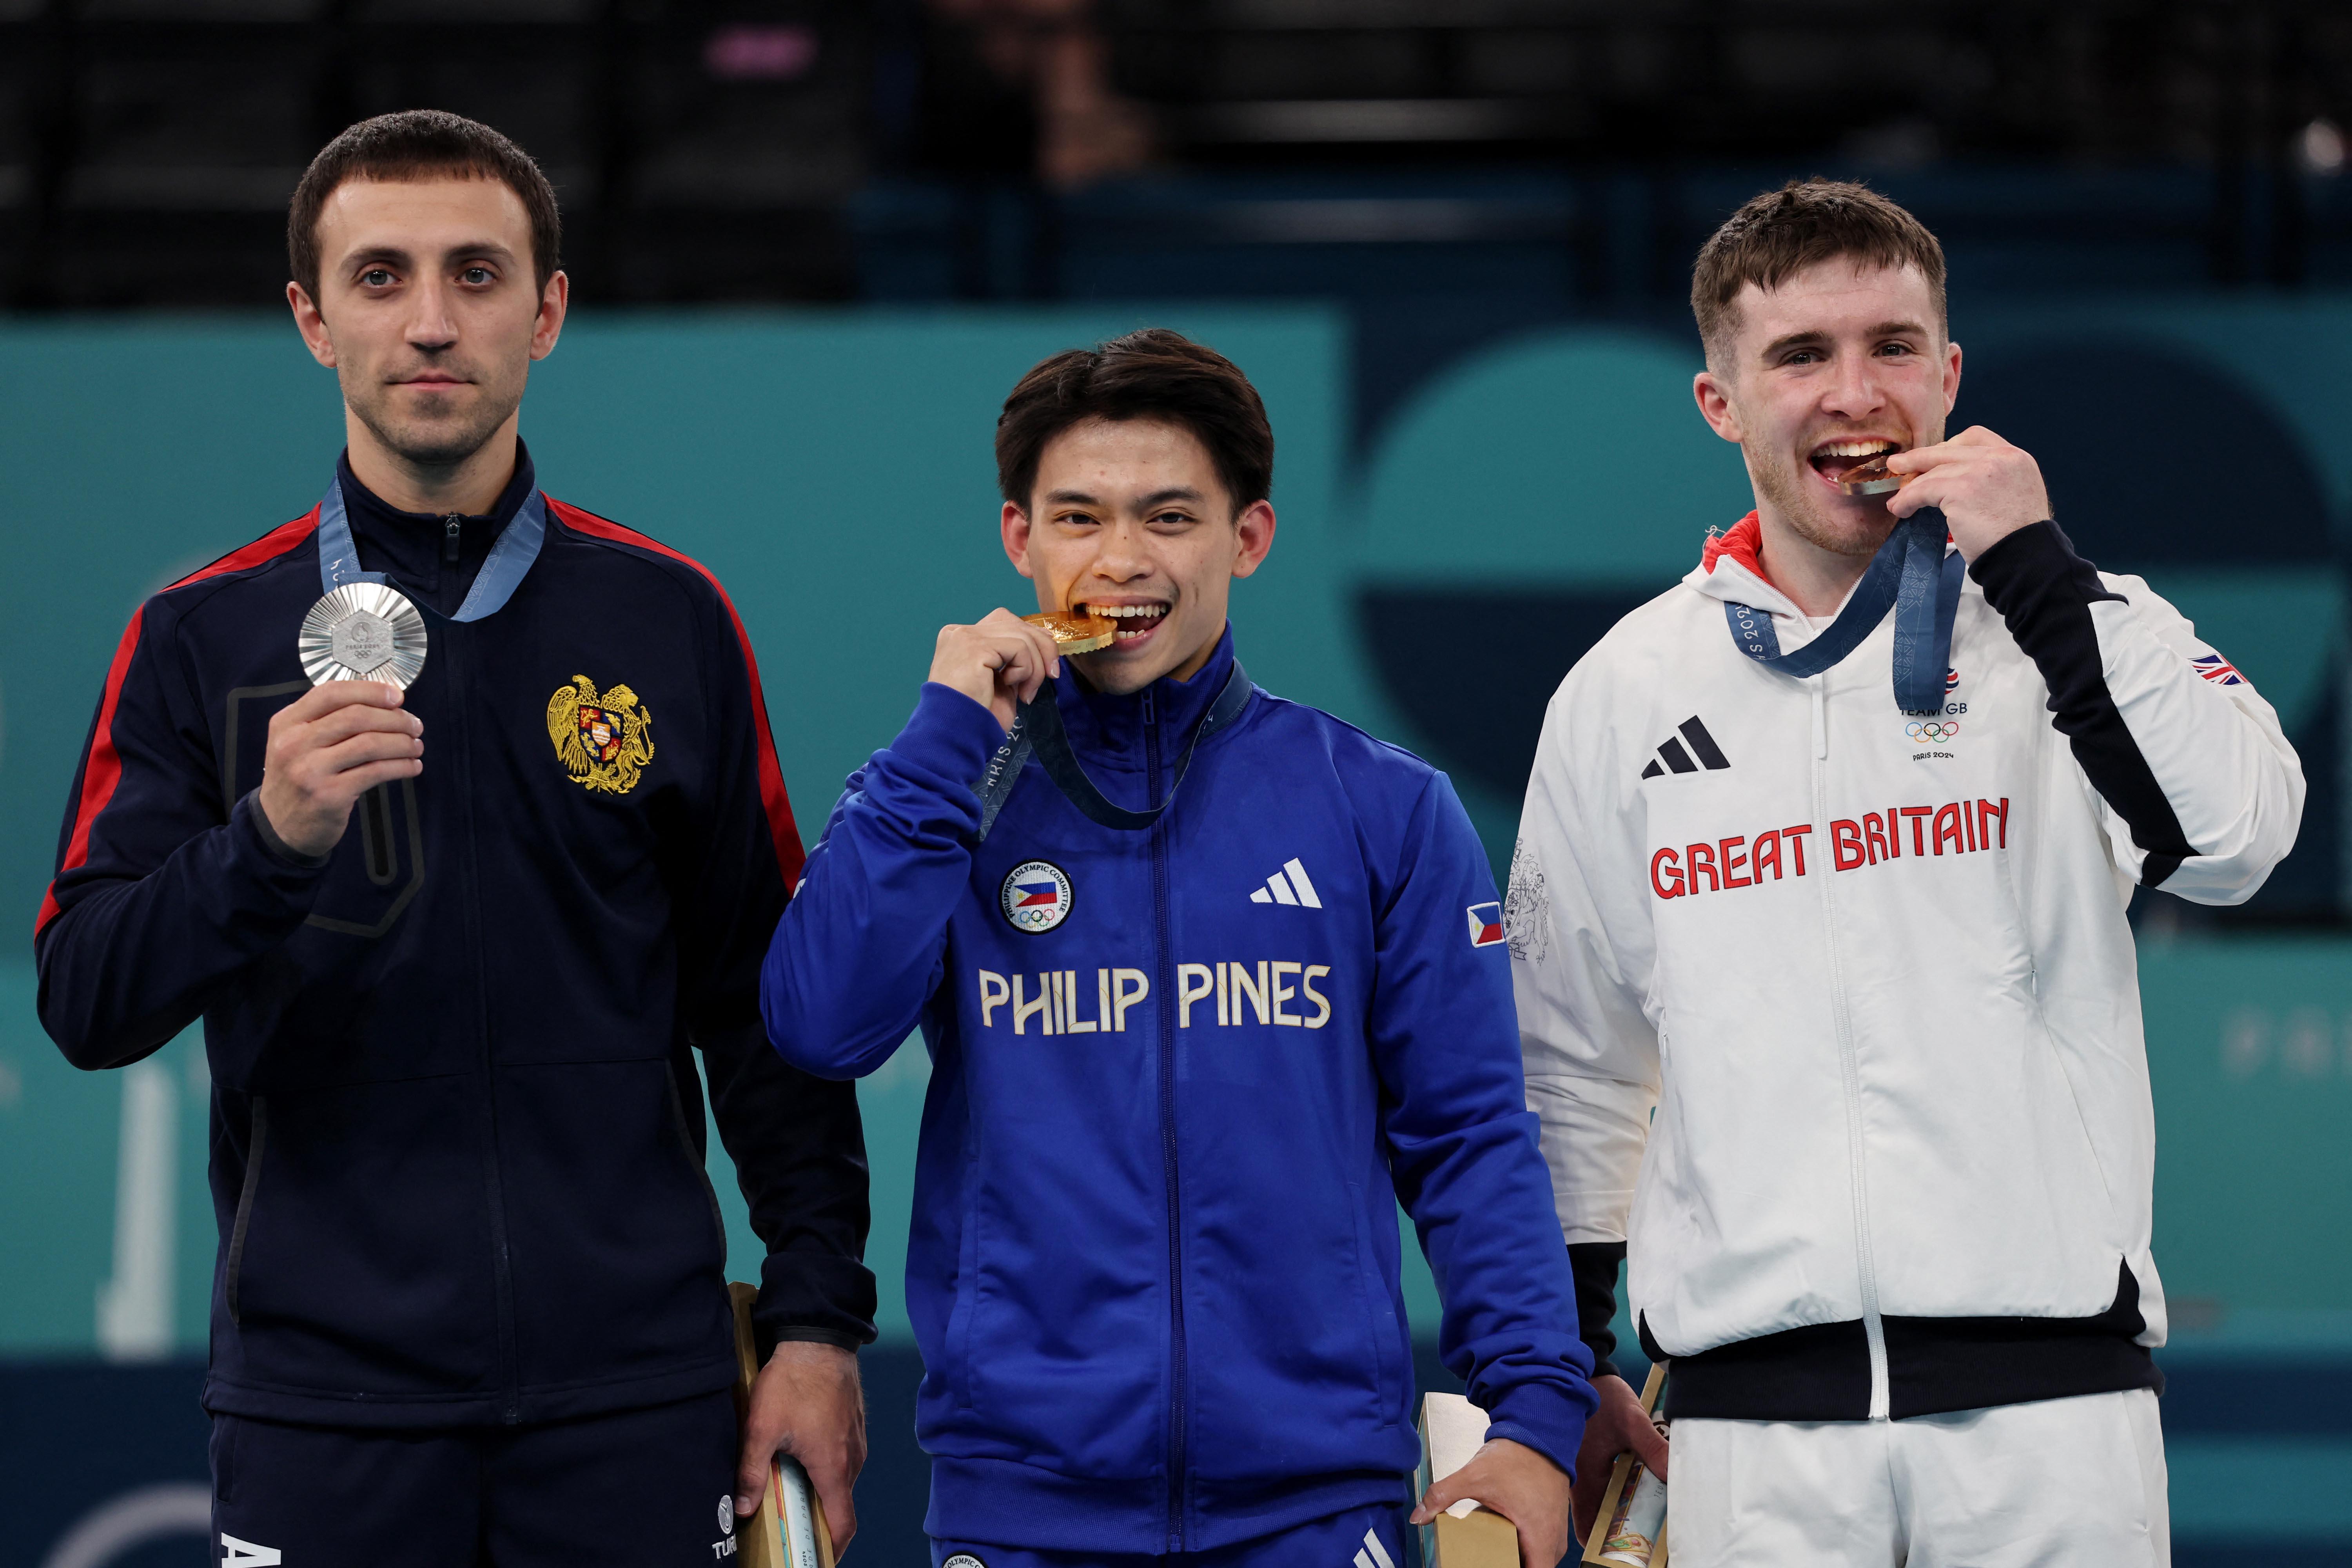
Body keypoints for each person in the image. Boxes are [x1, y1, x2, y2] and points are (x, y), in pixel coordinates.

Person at [35, 110, 874, 1566]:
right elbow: (86, 996)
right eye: (378, 278)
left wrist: (813, 1323)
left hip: (631, 1402)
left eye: (477, 275)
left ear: (547, 311)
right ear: (310, 320)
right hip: (324, 1411)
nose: (430, 322)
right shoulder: (196, 636)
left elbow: (762, 1009)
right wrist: (267, 845)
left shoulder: (668, 620)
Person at [1510, 178, 2304, 1565]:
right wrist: (1567, 1354)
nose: (1852, 393)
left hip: (2053, 1417)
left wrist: (2042, 576)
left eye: (1890, 347)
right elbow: (1577, 1061)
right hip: (1751, 1434)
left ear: (1949, 376)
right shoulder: (1622, 691)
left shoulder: (2071, 624)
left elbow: (2241, 841)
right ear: (1721, 402)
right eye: (1800, 357)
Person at [760, 328, 1595, 1568]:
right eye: (1079, 518)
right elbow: (819, 1025)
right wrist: (945, 738)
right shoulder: (942, 795)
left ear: (1246, 540)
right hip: (1022, 1506)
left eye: (1169, 518)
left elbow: (1470, 1134)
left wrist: (1534, 1409)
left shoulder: (1382, 807)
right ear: (1018, 539)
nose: (1120, 561)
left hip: (1316, 1507)